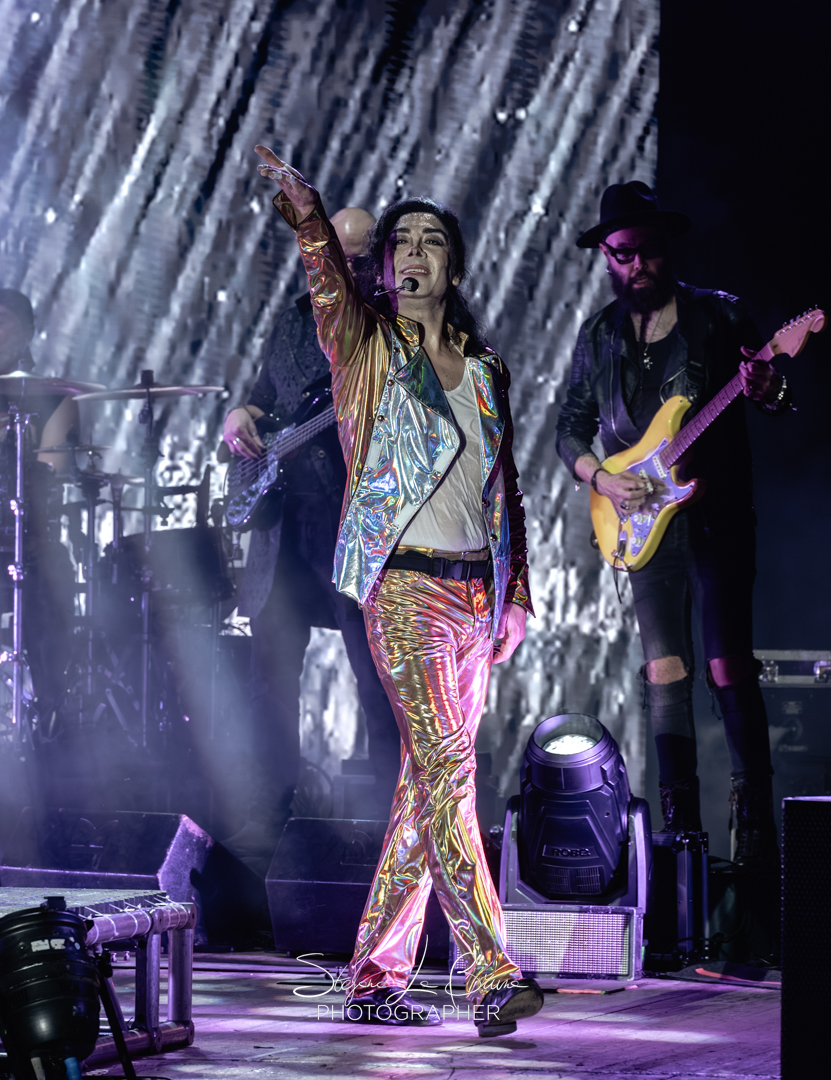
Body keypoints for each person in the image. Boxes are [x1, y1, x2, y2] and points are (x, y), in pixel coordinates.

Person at [253, 143, 543, 1036]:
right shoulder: (365, 350)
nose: (415, 253)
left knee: (427, 787)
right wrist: (311, 220)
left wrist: (517, 593)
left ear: (455, 266)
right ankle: (491, 973)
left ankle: (375, 977)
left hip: (475, 597)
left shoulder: (486, 370)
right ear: (384, 267)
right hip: (405, 590)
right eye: (402, 242)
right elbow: (326, 289)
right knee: (450, 772)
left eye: (432, 242)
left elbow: (506, 488)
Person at [555, 182, 789, 865]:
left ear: (667, 248)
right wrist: (601, 478)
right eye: (623, 254)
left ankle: (755, 833)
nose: (638, 266)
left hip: (715, 518)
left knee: (727, 663)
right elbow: (569, 429)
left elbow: (774, 395)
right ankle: (680, 833)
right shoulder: (598, 335)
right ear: (607, 256)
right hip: (640, 523)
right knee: (664, 670)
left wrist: (770, 386)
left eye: (649, 251)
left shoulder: (719, 316)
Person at [222, 208, 402, 865]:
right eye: (329, 257)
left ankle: (392, 831)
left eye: (355, 259)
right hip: (283, 533)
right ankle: (267, 821)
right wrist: (240, 415)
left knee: (375, 683)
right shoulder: (294, 319)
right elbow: (264, 399)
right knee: (270, 683)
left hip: (352, 529)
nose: (340, 270)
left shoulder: (392, 325)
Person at [0, 288, 77, 724]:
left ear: (29, 331)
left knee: (51, 580)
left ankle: (50, 721)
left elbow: (51, 476)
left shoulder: (54, 399)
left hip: (27, 550)